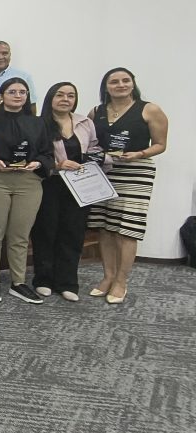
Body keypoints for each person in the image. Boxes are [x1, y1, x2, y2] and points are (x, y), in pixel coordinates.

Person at [87, 68, 169, 304]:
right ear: (106, 87)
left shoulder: (149, 109)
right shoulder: (96, 112)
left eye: (125, 80)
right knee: (105, 226)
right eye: (114, 82)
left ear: (133, 84)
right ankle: (107, 277)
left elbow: (161, 144)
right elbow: (91, 142)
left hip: (135, 172)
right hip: (105, 172)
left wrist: (140, 154)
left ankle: (121, 281)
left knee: (127, 228)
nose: (120, 85)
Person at [0, 78, 54, 304]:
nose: (18, 95)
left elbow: (47, 153)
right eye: (12, 91)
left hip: (28, 182)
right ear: (1, 96)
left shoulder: (39, 123)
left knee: (20, 235)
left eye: (22, 92)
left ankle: (18, 282)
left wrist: (38, 163)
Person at [30, 82, 102, 302]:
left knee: (73, 232)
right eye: (60, 95)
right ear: (50, 98)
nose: (65, 99)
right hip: (49, 183)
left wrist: (92, 161)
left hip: (80, 185)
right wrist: (57, 165)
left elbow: (95, 148)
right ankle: (43, 279)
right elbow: (34, 154)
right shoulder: (40, 123)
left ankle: (68, 282)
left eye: (71, 95)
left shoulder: (85, 122)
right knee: (45, 231)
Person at [0, 41, 36, 115]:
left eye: (5, 53)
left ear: (10, 55)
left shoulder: (23, 76)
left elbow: (31, 104)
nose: (0, 57)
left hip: (15, 121)